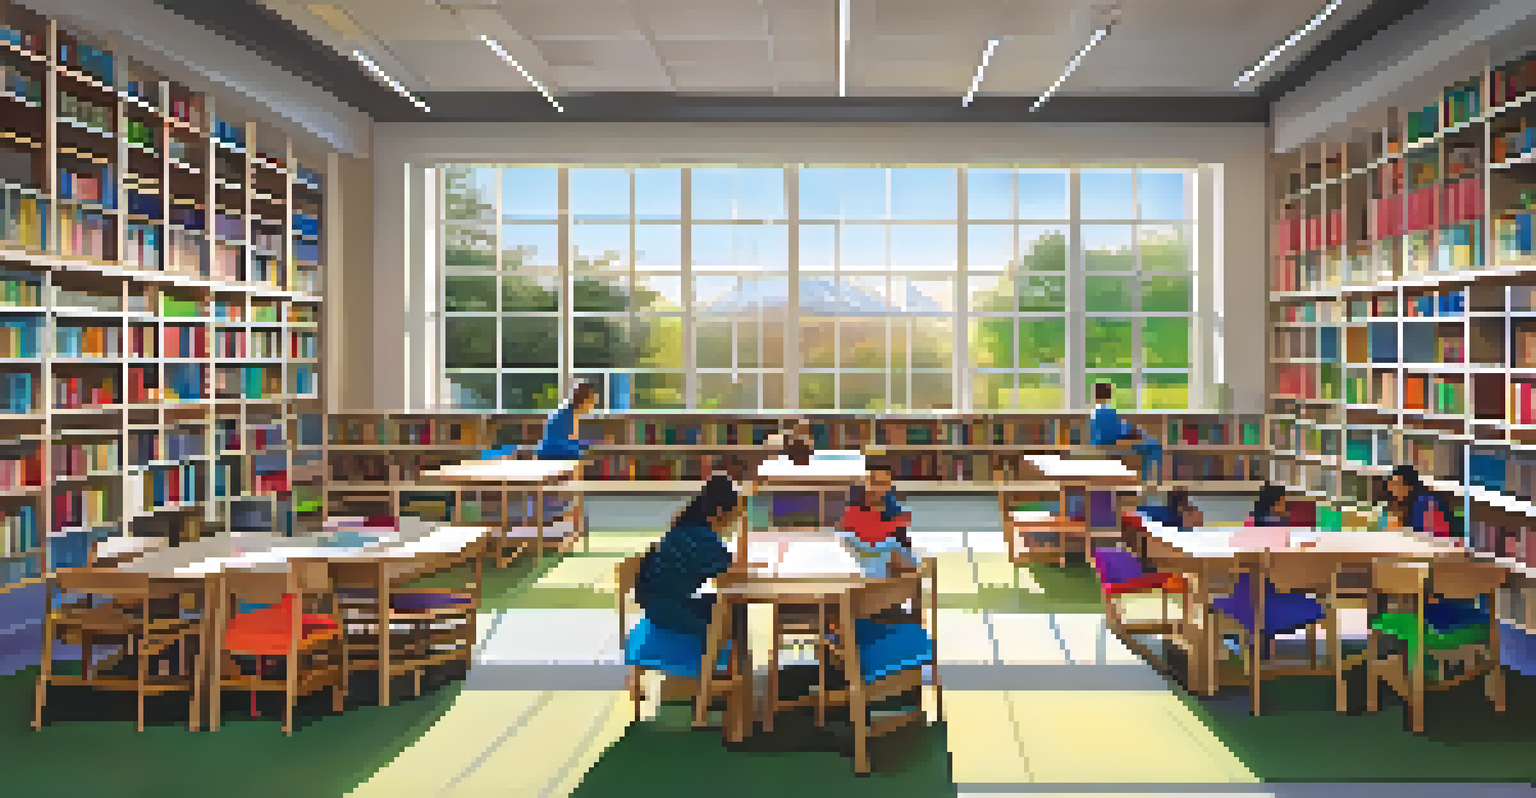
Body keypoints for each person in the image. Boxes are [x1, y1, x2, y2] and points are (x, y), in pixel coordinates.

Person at [634, 475, 747, 641]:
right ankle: (720, 663)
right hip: (669, 614)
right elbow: (731, 577)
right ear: (720, 512)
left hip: (658, 606)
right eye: (735, 516)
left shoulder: (690, 526)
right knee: (734, 611)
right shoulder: (704, 538)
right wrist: (744, 530)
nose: (734, 522)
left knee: (724, 605)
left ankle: (730, 663)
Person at [837, 461, 917, 579]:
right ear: (866, 482)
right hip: (859, 563)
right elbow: (846, 544)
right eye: (875, 483)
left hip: (885, 569)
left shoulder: (896, 513)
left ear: (889, 485)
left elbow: (905, 552)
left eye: (883, 483)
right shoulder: (853, 510)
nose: (878, 488)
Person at [1089, 382, 1162, 482]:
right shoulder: (1106, 411)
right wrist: (1134, 433)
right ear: (1109, 394)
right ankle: (1149, 478)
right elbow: (1117, 431)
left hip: (1104, 442)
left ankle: (1147, 477)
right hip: (1112, 443)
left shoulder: (1096, 411)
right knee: (1153, 445)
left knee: (1147, 442)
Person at [534, 381, 599, 460]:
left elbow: (572, 441)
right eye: (592, 402)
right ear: (584, 401)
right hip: (552, 456)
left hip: (555, 454)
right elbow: (559, 445)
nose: (592, 407)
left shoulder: (572, 414)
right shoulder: (565, 416)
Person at [1383, 464, 1452, 536]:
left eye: (1396, 484)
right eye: (1391, 484)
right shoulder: (1402, 502)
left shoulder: (1426, 503)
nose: (1391, 489)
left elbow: (1440, 534)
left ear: (1410, 487)